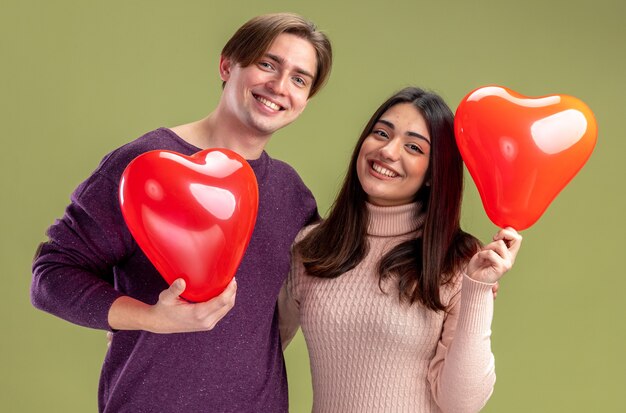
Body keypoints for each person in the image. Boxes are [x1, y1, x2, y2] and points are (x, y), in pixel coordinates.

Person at [31, 13, 332, 413]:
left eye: (299, 78)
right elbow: (50, 276)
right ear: (228, 65)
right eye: (267, 64)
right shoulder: (143, 167)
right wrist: (149, 317)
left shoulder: (293, 195)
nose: (279, 87)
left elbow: (304, 297)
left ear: (305, 100)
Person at [279, 87, 523, 413]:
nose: (388, 151)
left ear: (433, 175)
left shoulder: (459, 260)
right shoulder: (312, 248)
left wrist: (476, 289)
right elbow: (255, 350)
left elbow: (460, 403)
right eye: (381, 133)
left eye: (413, 147)